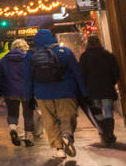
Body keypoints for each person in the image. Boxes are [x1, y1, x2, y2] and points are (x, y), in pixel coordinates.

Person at [25, 28, 87, 159]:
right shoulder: (65, 52)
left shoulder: (30, 56)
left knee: (49, 120)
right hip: (66, 91)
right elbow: (77, 74)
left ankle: (59, 149)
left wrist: (28, 96)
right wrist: (83, 91)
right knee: (68, 117)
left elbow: (27, 78)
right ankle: (67, 134)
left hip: (42, 94)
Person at [79, 35, 122, 147]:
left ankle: (103, 132)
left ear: (88, 44)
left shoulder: (84, 57)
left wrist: (85, 87)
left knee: (97, 111)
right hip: (107, 88)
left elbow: (82, 74)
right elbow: (116, 73)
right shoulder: (108, 55)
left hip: (92, 90)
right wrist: (111, 82)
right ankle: (110, 133)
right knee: (108, 110)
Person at [0, 38, 36, 146]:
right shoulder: (28, 58)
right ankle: (28, 138)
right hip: (26, 91)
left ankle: (13, 129)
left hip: (10, 91)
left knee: (13, 113)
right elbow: (33, 74)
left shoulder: (4, 60)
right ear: (25, 47)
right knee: (28, 114)